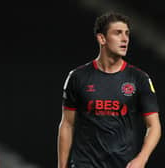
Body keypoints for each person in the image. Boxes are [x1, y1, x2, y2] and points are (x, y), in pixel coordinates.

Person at [58, 12, 161, 168]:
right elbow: (67, 124)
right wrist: (61, 166)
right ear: (102, 39)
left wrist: (142, 158)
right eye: (118, 33)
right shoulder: (77, 77)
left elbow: (154, 126)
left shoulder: (139, 79)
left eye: (127, 33)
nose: (125, 39)